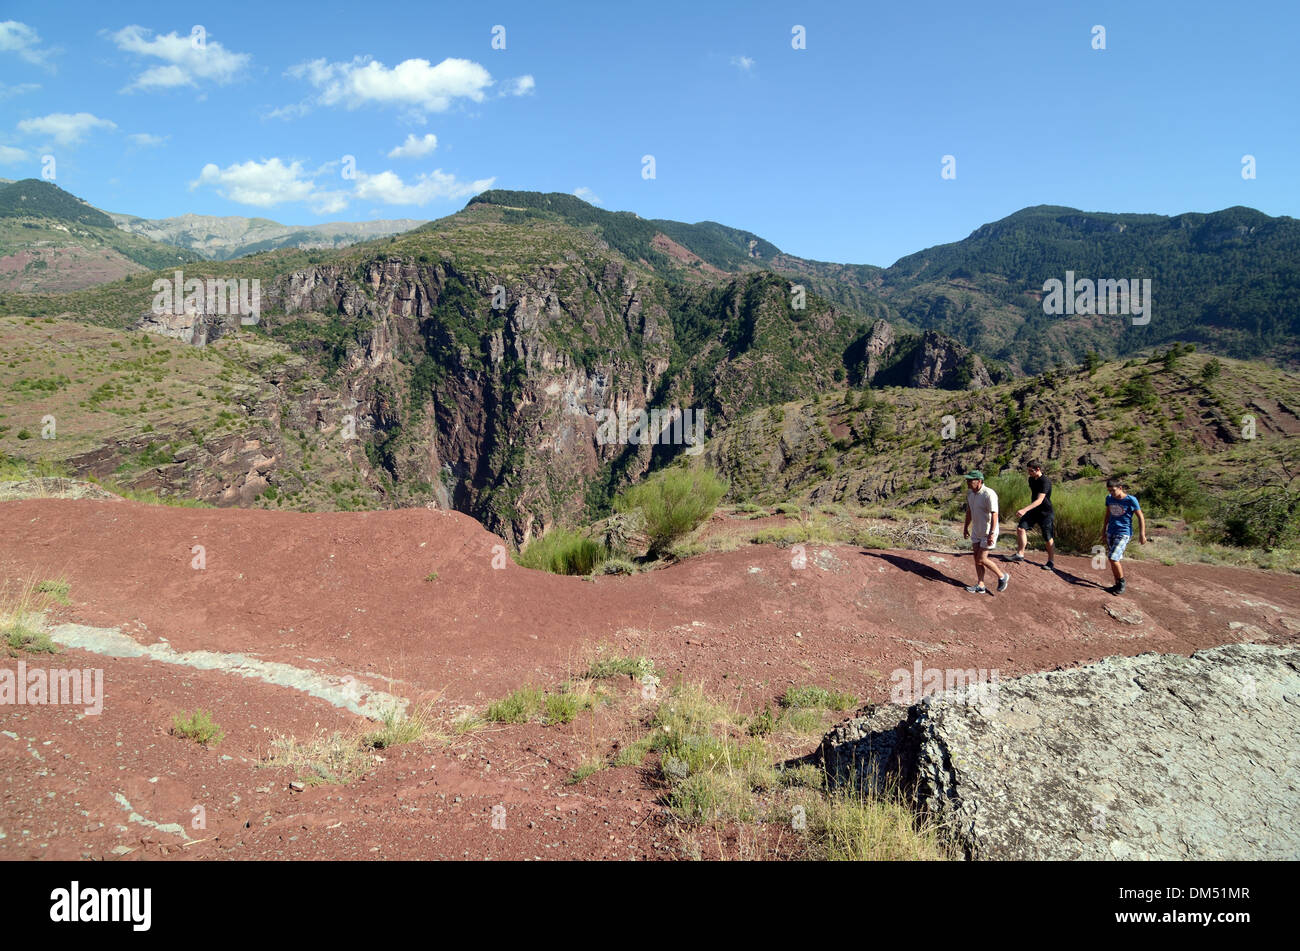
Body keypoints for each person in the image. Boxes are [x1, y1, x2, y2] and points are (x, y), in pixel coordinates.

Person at [962, 470, 1009, 595]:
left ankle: (1002, 576)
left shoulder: (989, 494)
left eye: (970, 480)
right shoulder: (970, 494)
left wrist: (992, 533)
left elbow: (995, 514)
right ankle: (980, 585)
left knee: (981, 559)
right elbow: (969, 511)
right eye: (967, 480)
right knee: (976, 559)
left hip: (988, 531)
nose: (967, 482)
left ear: (979, 481)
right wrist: (966, 527)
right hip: (976, 530)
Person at [1101, 478, 1147, 595]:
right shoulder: (1109, 498)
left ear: (1120, 488)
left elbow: (1140, 517)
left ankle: (1121, 583)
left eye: (1113, 490)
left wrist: (1142, 534)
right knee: (1113, 560)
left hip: (1124, 532)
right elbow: (1107, 514)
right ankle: (1116, 584)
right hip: (1111, 531)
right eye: (1109, 490)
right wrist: (1104, 530)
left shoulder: (1131, 500)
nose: (1111, 493)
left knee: (1113, 558)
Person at [1010, 461, 1056, 571]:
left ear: (1038, 469)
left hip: (1045, 513)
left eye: (1031, 471)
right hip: (1034, 511)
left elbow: (1040, 500)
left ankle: (1050, 561)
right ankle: (1020, 554)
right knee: (1021, 528)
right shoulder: (1031, 479)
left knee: (1047, 537)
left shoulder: (1045, 481)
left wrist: (1024, 510)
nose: (1029, 473)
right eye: (1028, 471)